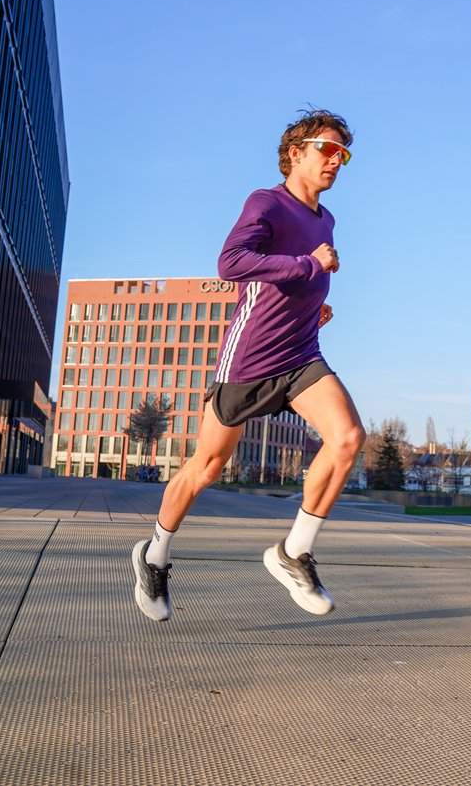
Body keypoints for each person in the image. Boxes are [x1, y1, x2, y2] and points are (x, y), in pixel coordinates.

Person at [132, 109, 365, 621]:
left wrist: (314, 304)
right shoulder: (267, 202)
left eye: (344, 155)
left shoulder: (326, 219)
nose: (336, 161)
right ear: (296, 152)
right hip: (251, 357)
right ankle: (154, 555)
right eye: (328, 150)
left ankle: (293, 552)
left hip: (302, 354)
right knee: (207, 466)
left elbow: (293, 282)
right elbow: (232, 262)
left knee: (348, 437)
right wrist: (310, 264)